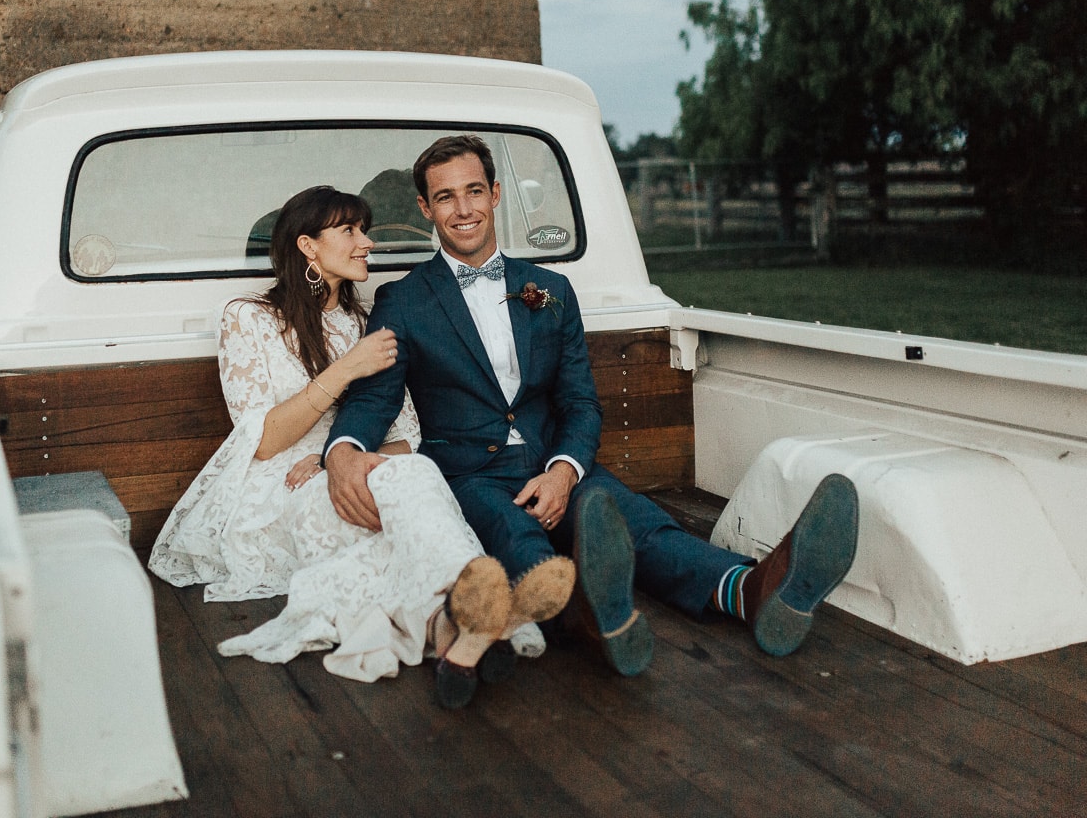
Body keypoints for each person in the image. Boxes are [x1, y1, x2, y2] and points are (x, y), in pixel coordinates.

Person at [325, 137, 860, 676]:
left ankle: (751, 589)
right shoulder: (403, 300)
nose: (463, 209)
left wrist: (563, 472)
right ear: (425, 207)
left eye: (474, 192)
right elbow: (375, 396)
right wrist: (342, 450)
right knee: (518, 539)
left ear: (496, 194)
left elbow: (579, 401)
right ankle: (596, 619)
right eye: (445, 197)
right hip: (470, 475)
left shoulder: (550, 288)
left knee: (640, 524)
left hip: (553, 461)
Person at [149, 185, 574, 707]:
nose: (367, 243)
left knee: (418, 473)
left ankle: (456, 628)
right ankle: (470, 614)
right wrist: (347, 369)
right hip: (280, 482)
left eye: (364, 231)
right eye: (350, 231)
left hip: (354, 466)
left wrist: (340, 458)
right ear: (308, 245)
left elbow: (408, 437)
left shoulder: (364, 321)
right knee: (390, 526)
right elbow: (261, 441)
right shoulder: (248, 317)